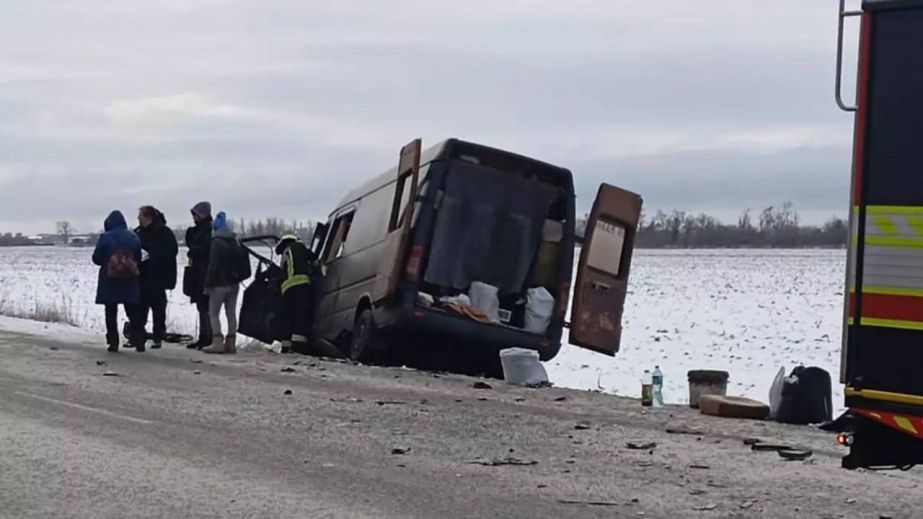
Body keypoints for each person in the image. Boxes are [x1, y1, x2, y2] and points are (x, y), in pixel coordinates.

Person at [92, 210, 144, 353]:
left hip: (109, 279)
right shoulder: (133, 236)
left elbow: (96, 258)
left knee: (111, 311)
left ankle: (113, 342)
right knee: (133, 311)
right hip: (129, 278)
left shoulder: (105, 237)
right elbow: (139, 257)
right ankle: (140, 340)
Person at [135, 206, 178, 349]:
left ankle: (158, 336)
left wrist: (152, 258)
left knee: (158, 308)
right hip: (141, 276)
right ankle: (139, 336)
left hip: (158, 277)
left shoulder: (163, 232)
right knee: (140, 308)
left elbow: (171, 252)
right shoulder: (138, 233)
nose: (138, 219)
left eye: (140, 216)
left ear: (148, 217)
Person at [203, 212, 240, 354]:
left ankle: (217, 342)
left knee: (213, 313)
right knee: (231, 313)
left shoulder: (216, 242)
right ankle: (231, 343)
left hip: (219, 284)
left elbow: (213, 266)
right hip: (234, 283)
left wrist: (207, 284)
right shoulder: (234, 240)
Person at [275, 235, 316, 354]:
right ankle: (299, 347)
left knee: (287, 318)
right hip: (301, 285)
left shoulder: (284, 255)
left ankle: (285, 346)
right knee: (301, 315)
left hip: (286, 290)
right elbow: (314, 258)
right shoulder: (298, 246)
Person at [184, 201, 213, 349]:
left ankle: (208, 337)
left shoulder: (208, 230)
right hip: (198, 272)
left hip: (204, 272)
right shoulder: (198, 230)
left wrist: (194, 250)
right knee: (202, 307)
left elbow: (205, 249)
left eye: (196, 215)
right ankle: (204, 336)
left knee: (205, 307)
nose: (194, 218)